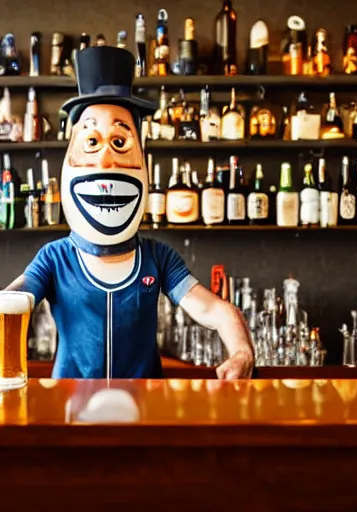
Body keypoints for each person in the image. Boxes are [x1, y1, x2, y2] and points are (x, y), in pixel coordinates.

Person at [4, 45, 253, 380]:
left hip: (143, 416)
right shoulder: (55, 258)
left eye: (120, 143)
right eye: (91, 143)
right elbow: (14, 299)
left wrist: (241, 352)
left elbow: (214, 309)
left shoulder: (157, 257)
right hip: (69, 415)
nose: (106, 161)